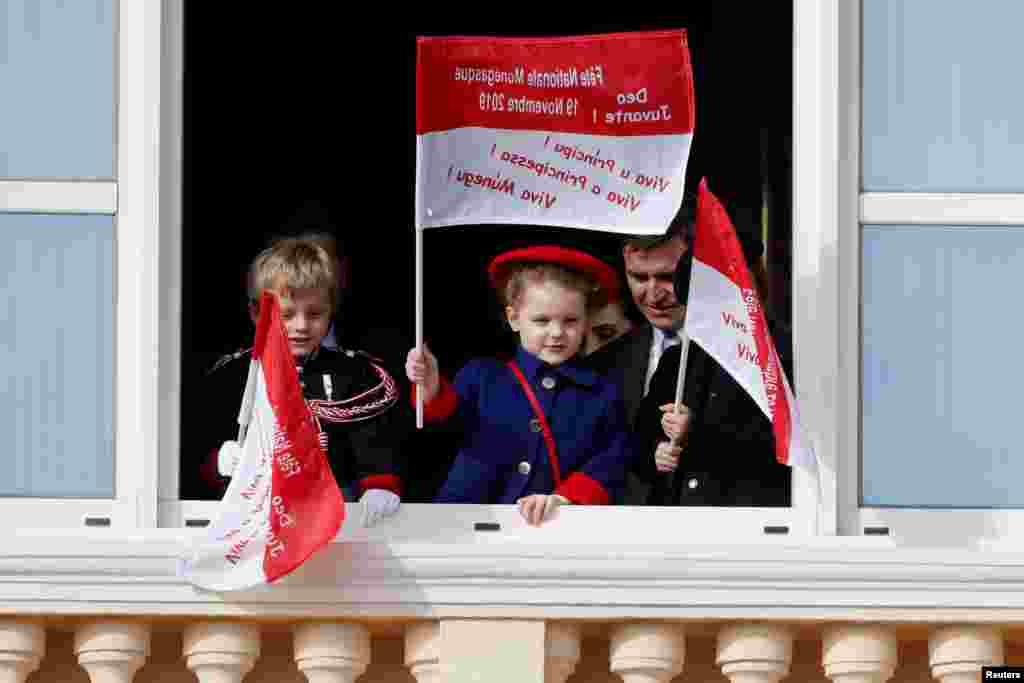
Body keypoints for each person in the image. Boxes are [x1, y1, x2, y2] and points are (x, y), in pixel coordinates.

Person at [405, 246, 631, 526]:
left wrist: (564, 498)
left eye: (571, 320)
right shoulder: (482, 377)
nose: (557, 332)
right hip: (466, 529)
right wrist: (429, 388)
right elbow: (443, 426)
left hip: (551, 533)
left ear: (586, 320)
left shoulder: (602, 392)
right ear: (513, 318)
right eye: (542, 320)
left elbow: (613, 458)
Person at [203, 237, 413, 526]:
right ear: (256, 314)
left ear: (331, 312)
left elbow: (372, 442)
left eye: (315, 314)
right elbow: (197, 447)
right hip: (252, 515)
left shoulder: (354, 374)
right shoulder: (234, 374)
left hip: (333, 514)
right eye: (286, 315)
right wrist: (218, 460)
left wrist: (378, 483)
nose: (301, 326)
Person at [634, 242, 792, 506]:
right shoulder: (678, 361)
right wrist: (657, 452)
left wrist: (695, 433)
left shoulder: (785, 356)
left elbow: (787, 444)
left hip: (751, 522)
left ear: (757, 287)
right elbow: (638, 443)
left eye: (734, 288)